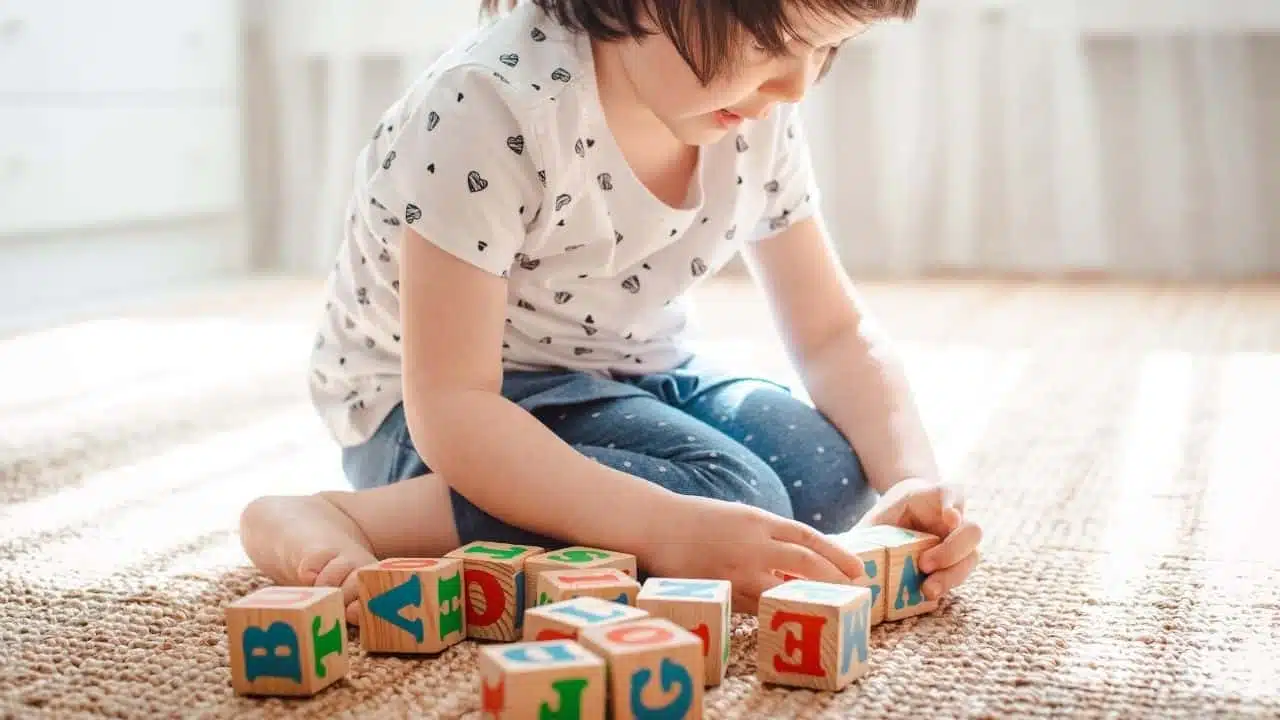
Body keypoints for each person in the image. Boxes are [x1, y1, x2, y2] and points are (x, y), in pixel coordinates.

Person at [239, 0, 982, 621]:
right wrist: (667, 529)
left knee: (827, 477)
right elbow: (454, 408)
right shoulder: (490, 105)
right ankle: (350, 517)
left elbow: (832, 332)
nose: (795, 86)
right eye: (773, 43)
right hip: (446, 412)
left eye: (825, 49)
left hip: (629, 370)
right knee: (739, 498)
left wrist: (911, 482)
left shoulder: (754, 109)